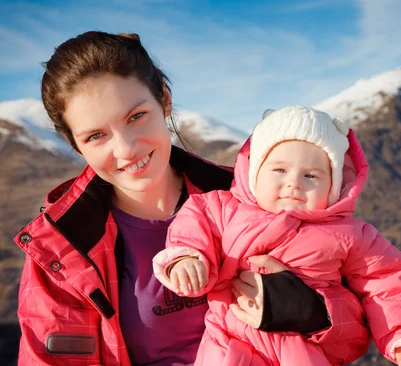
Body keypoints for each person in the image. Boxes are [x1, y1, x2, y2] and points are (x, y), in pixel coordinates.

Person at [13, 31, 370, 365]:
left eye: (137, 116)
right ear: (75, 145)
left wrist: (314, 314)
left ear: (164, 100)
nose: (126, 148)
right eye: (95, 136)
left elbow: (359, 337)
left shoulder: (250, 202)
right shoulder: (64, 248)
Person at [153, 106, 401, 366]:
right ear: (254, 172)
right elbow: (193, 225)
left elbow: (387, 280)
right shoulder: (223, 209)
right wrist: (187, 258)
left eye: (311, 176)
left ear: (334, 187)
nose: (294, 183)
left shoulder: (350, 234)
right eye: (279, 170)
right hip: (228, 342)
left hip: (302, 350)